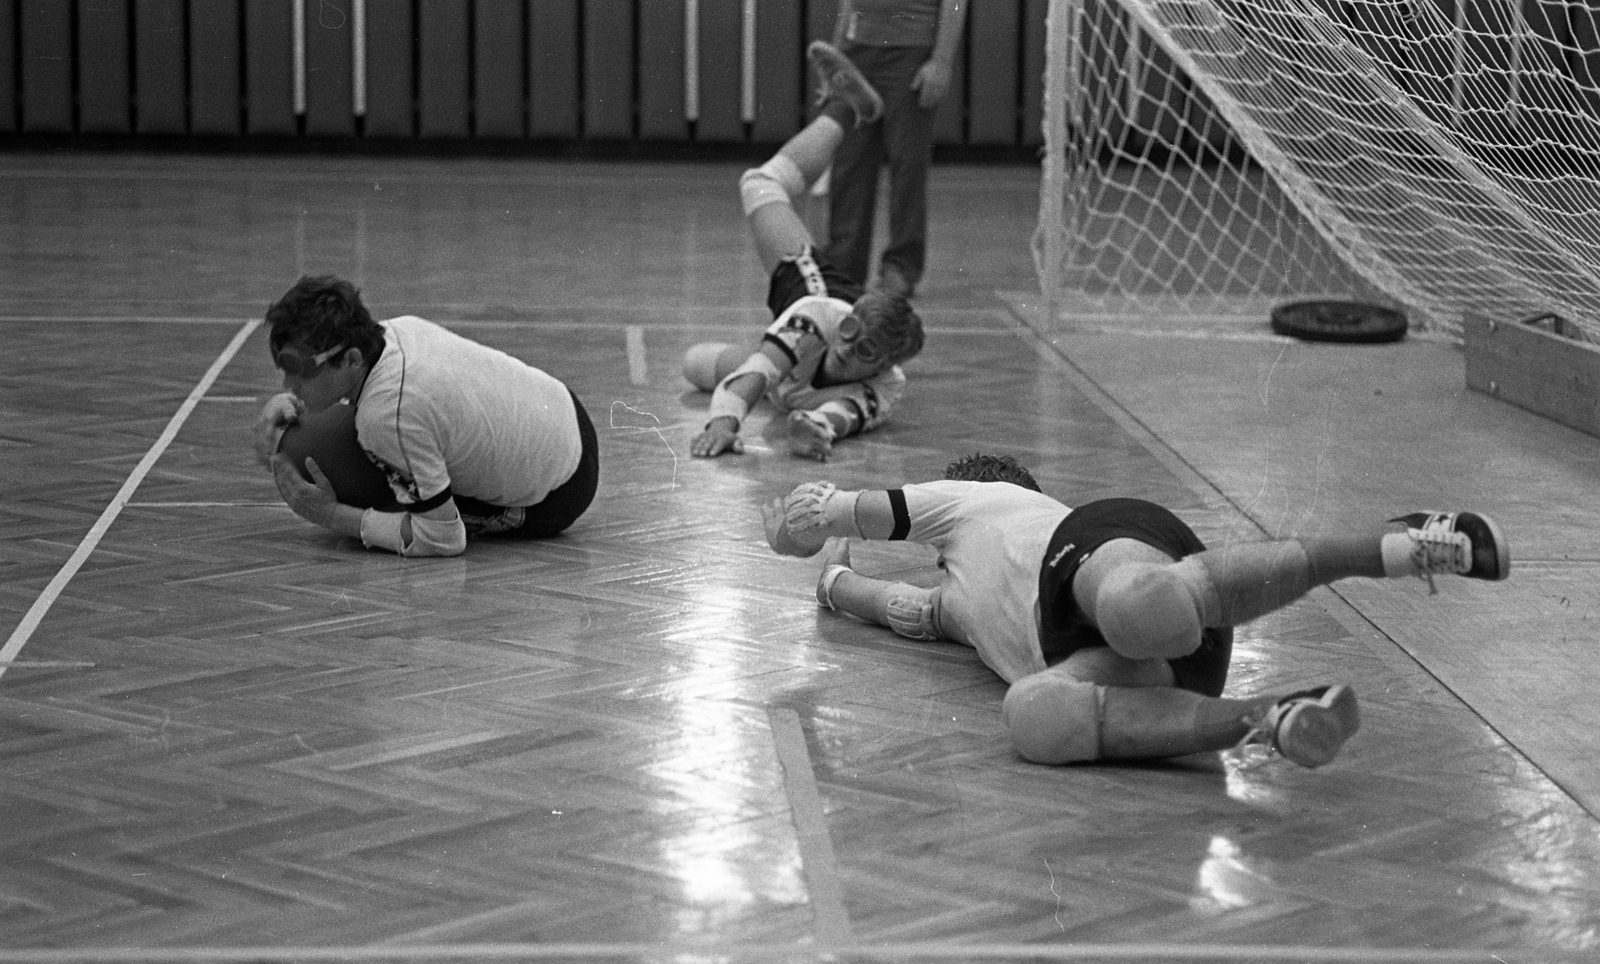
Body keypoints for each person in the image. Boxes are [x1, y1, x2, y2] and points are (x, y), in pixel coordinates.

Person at [760, 453, 1512, 768]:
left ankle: (1399, 545)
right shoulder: (953, 600)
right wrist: (833, 586)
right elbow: (891, 606)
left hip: (1096, 553)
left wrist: (799, 524)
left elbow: (836, 508)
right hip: (1139, 666)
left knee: (1136, 604)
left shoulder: (978, 499)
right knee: (1034, 719)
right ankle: (1272, 717)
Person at [685, 44, 924, 462]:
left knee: (696, 364)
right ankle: (850, 109)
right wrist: (723, 424)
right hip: (809, 294)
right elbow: (756, 375)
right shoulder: (820, 320)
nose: (848, 348)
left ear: (885, 365)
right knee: (760, 184)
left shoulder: (888, 386)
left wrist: (814, 430)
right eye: (851, 332)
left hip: (793, 382)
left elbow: (841, 416)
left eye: (865, 351)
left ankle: (778, 363)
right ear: (846, 321)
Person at [252, 275, 599, 558]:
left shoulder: (388, 415)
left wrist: (330, 516)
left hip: (560, 492)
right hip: (564, 411)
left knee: (312, 449)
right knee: (319, 437)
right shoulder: (395, 330)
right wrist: (292, 400)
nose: (288, 384)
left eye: (300, 375)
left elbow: (445, 539)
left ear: (352, 359)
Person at [821, 1, 967, 299]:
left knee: (907, 164)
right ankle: (844, 267)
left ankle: (901, 267)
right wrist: (836, 57)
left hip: (912, 50)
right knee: (849, 164)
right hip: (858, 51)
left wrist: (941, 61)